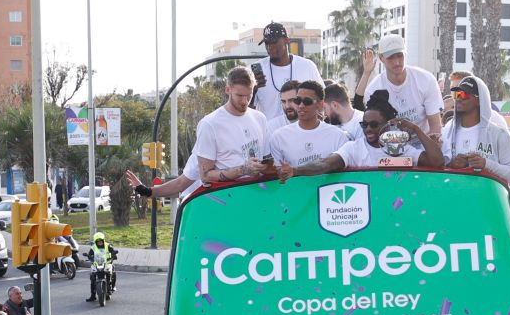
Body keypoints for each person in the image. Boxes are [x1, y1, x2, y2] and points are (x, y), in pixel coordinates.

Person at [126, 66, 267, 202]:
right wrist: (146, 191)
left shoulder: (259, 118)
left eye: (249, 95)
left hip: (255, 200)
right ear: (228, 90)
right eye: (239, 96)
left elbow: (268, 163)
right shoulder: (210, 125)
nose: (244, 101)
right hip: (225, 204)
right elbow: (202, 177)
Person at [308, 93, 442, 172]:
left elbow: (437, 163)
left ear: (388, 125)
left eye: (374, 124)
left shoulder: (398, 148)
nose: (368, 129)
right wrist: (295, 171)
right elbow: (326, 163)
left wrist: (416, 129)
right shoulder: (354, 149)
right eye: (364, 124)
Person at [441, 74, 510, 187]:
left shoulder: (498, 134)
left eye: (464, 95)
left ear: (480, 101)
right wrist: (452, 165)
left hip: (484, 199)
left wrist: (486, 164)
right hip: (454, 197)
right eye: (457, 94)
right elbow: (438, 167)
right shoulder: (447, 131)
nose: (459, 98)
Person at [359, 35, 443, 140]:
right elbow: (374, 129)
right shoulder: (373, 89)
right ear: (381, 58)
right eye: (391, 57)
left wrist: (431, 151)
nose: (397, 62)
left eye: (400, 55)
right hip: (389, 148)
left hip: (424, 146)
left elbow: (435, 125)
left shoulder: (426, 80)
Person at [265, 80, 351, 171]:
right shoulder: (279, 137)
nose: (301, 105)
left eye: (307, 101)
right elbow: (277, 175)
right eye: (297, 101)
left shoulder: (338, 136)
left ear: (320, 104)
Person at [250, 22, 322, 126]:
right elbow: (248, 108)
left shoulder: (307, 66)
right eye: (267, 43)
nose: (270, 47)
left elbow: (321, 99)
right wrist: (253, 90)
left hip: (303, 132)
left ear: (287, 40)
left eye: (274, 42)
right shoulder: (255, 70)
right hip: (269, 135)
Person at [86, 231, 118, 301]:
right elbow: (90, 254)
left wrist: (113, 255)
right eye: (98, 241)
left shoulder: (108, 245)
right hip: (96, 263)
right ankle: (93, 295)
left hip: (107, 262)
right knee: (92, 278)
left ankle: (112, 287)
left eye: (101, 241)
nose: (100, 242)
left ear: (103, 240)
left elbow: (113, 251)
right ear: (95, 242)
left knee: (113, 270)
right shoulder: (93, 247)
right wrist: (89, 257)